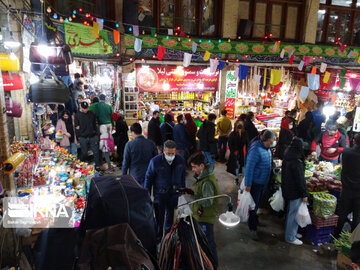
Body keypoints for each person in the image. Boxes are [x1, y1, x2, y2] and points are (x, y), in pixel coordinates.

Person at [144, 140, 186, 243]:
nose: (171, 156)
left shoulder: (180, 160)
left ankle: (167, 239)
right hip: (160, 196)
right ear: (163, 151)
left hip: (174, 195)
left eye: (173, 153)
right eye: (168, 153)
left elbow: (182, 176)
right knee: (159, 219)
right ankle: (158, 240)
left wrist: (182, 190)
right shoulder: (155, 161)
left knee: (170, 218)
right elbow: (148, 178)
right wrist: (146, 194)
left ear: (175, 151)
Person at [189, 153, 220, 267]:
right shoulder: (203, 176)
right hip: (202, 215)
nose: (193, 169)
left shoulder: (207, 181)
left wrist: (193, 197)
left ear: (201, 166)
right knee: (204, 242)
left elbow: (207, 201)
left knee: (208, 243)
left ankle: (213, 265)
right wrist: (192, 193)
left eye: (194, 167)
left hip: (205, 217)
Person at [244, 130, 276, 240]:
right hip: (255, 183)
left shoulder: (267, 149)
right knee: (253, 207)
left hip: (263, 182)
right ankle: (252, 228)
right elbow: (249, 168)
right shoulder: (255, 150)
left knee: (257, 205)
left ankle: (255, 221)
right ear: (267, 140)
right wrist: (248, 184)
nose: (274, 142)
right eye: (273, 140)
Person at [281, 137, 308, 245]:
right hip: (295, 191)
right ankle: (290, 237)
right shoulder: (296, 161)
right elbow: (300, 180)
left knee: (290, 212)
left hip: (288, 188)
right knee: (293, 213)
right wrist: (304, 194)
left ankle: (292, 232)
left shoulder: (288, 155)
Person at [335, 134, 360, 237]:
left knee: (343, 212)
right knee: (357, 216)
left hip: (347, 188)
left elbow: (343, 168)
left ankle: (336, 236)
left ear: (354, 141)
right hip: (359, 192)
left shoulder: (346, 152)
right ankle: (352, 240)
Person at [75, 102, 100, 170]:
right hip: (83, 137)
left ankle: (97, 166)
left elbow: (95, 124)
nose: (86, 110)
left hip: (92, 136)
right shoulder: (77, 115)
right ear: (81, 108)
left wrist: (96, 134)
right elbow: (76, 127)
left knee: (96, 151)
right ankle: (84, 166)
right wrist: (79, 136)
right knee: (84, 152)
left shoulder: (92, 113)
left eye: (87, 108)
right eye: (84, 108)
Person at [227, 119, 248, 185]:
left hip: (243, 153)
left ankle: (244, 179)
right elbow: (230, 144)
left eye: (241, 124)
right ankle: (236, 178)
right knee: (237, 166)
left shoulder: (245, 133)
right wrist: (233, 151)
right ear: (236, 125)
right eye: (239, 124)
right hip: (236, 153)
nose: (240, 125)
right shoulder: (232, 134)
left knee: (244, 166)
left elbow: (247, 143)